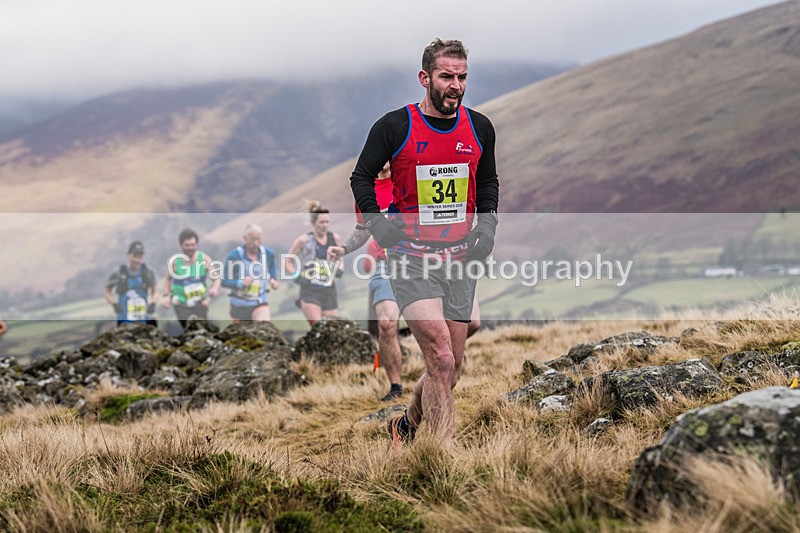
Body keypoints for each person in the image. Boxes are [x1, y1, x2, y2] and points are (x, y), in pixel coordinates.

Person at [349, 39, 499, 445]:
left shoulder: (480, 127)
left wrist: (487, 228)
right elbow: (361, 177)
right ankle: (443, 460)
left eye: (462, 77)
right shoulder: (394, 126)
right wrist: (380, 227)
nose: (455, 85)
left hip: (461, 258)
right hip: (410, 258)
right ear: (425, 78)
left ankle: (407, 426)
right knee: (441, 358)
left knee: (448, 372)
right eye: (446, 76)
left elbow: (487, 183)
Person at [329, 162, 404, 401]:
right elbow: (363, 230)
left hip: (420, 261)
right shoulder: (366, 190)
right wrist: (343, 249)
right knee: (386, 323)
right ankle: (396, 387)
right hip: (385, 264)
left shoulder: (407, 176)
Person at [285, 201, 342, 326]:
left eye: (327, 222)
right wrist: (296, 277)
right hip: (310, 290)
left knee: (332, 329)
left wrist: (339, 269)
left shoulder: (335, 238)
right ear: (313, 223)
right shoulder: (303, 240)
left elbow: (340, 256)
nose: (325, 225)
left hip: (329, 289)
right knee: (318, 328)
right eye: (321, 222)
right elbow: (288, 261)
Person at [161, 228, 221, 328]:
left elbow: (217, 278)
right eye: (187, 245)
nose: (190, 248)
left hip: (200, 302)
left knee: (203, 328)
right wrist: (166, 296)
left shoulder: (204, 259)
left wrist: (215, 288)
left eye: (192, 245)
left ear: (196, 245)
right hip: (181, 304)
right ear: (181, 245)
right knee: (188, 329)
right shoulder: (175, 261)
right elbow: (167, 279)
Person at [221, 224, 279, 321]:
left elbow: (272, 272)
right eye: (252, 240)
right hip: (239, 305)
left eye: (259, 239)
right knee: (242, 336)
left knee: (262, 330)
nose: (256, 243)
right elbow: (224, 281)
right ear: (245, 238)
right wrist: (240, 283)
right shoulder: (234, 256)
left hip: (260, 302)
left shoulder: (269, 254)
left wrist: (273, 281)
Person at [103, 241, 159, 326]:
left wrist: (153, 303)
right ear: (128, 254)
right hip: (124, 319)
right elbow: (106, 290)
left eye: (140, 256)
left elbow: (155, 290)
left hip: (143, 319)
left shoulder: (147, 272)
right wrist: (114, 304)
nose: (137, 260)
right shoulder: (119, 272)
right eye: (135, 256)